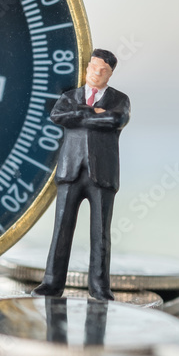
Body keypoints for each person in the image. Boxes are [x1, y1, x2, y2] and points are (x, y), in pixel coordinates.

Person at [33, 49, 130, 301]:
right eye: (94, 68)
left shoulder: (120, 99)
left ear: (110, 73)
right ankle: (52, 284)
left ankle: (99, 288)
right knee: (61, 230)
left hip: (103, 174)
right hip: (70, 171)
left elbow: (116, 120)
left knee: (101, 235)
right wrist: (92, 114)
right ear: (87, 68)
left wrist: (81, 116)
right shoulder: (69, 96)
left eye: (103, 71)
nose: (97, 74)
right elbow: (58, 116)